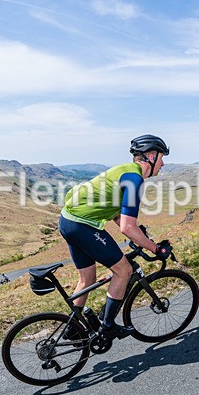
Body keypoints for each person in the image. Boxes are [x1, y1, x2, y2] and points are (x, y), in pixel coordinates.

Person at [58, 135, 173, 340]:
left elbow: (113, 210)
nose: (163, 163)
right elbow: (128, 228)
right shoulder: (134, 180)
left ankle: (72, 328)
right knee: (124, 270)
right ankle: (107, 327)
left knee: (87, 279)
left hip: (67, 221)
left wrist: (140, 236)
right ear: (151, 156)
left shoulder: (123, 171)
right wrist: (155, 248)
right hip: (81, 225)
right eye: (162, 157)